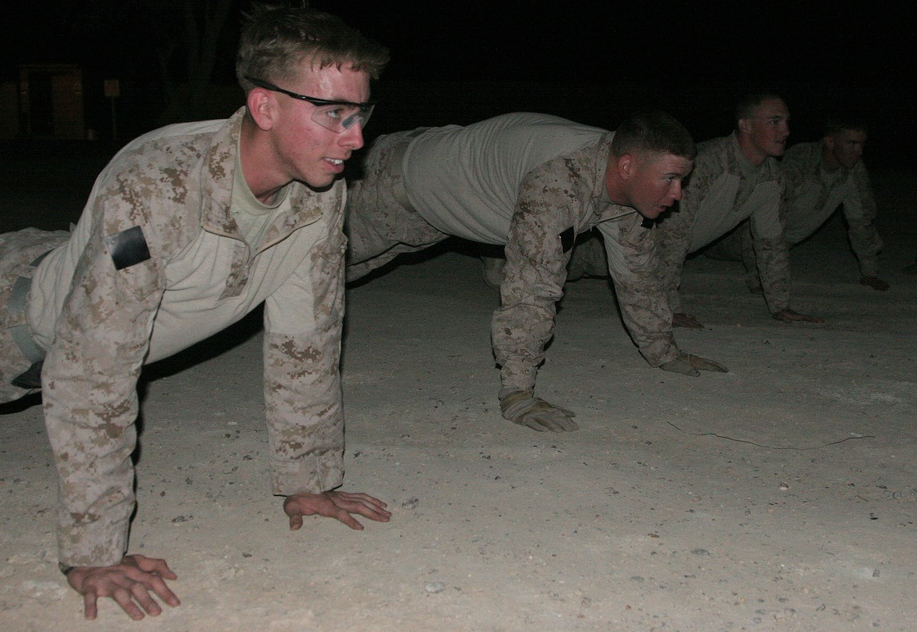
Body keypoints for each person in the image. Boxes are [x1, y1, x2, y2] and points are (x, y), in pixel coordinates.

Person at [0, 5, 392, 620]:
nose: (355, 138)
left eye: (361, 114)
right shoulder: (161, 185)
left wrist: (308, 479)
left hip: (56, 278)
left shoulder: (319, 194)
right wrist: (93, 551)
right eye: (333, 114)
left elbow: (306, 341)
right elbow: (93, 368)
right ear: (265, 107)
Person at [346, 111, 727, 434]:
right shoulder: (559, 183)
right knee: (313, 268)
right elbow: (532, 288)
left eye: (683, 180)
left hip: (436, 210)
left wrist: (663, 351)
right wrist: (517, 394)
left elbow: (638, 278)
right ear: (627, 166)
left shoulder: (627, 189)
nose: (678, 194)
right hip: (391, 186)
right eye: (670, 179)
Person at [654, 93, 822, 329]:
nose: (785, 131)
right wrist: (667, 307)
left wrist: (780, 306)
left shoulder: (772, 177)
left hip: (667, 250)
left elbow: (770, 244)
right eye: (774, 122)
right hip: (631, 242)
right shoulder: (707, 162)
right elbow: (671, 236)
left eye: (786, 122)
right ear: (746, 125)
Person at [707, 117, 888, 291]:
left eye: (861, 144)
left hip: (780, 244)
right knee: (705, 245)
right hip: (735, 236)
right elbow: (761, 216)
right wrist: (759, 276)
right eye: (851, 143)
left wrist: (869, 272)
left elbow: (861, 221)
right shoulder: (800, 162)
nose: (859, 151)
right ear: (830, 142)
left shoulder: (853, 170)